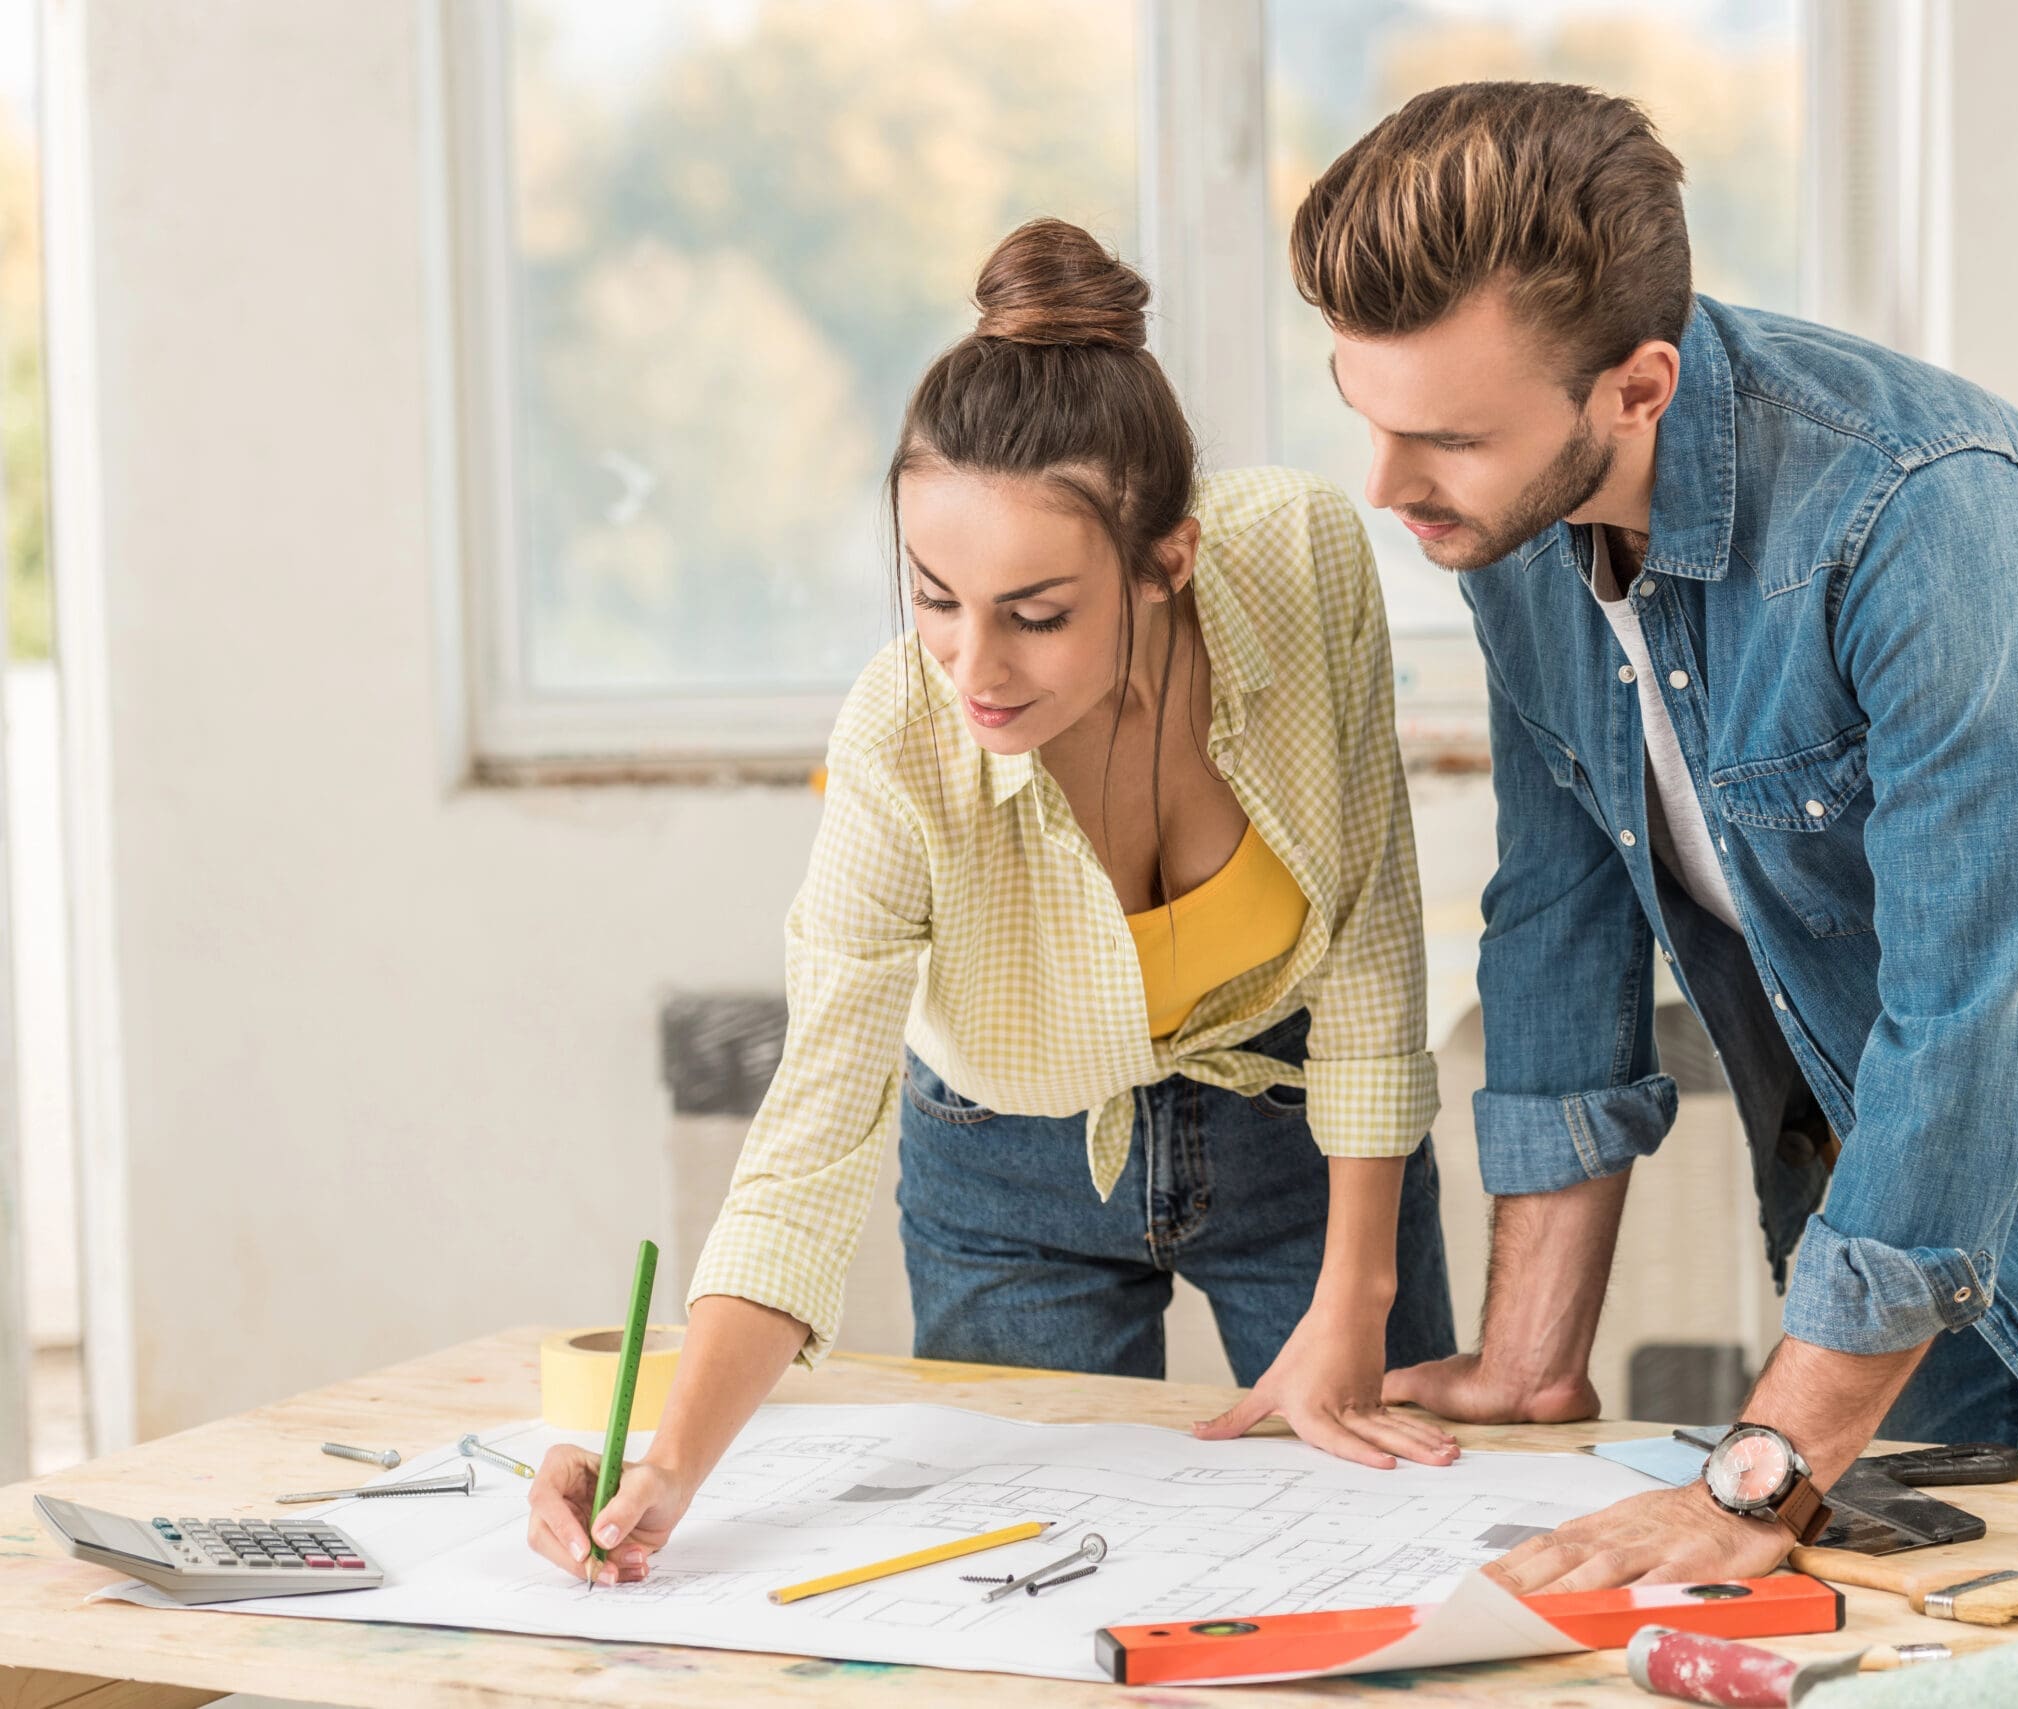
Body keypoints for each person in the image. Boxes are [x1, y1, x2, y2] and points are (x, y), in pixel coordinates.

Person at [1287, 82, 2018, 1589]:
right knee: (1883, 1598)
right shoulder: (1513, 523)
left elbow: (1970, 1015)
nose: (1390, 486)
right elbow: (1558, 914)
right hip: (1892, 1133)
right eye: (1373, 418)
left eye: (1447, 438)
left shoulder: (1924, 510)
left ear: (1637, 386)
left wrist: (1755, 1478)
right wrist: (1528, 1359)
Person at [526, 218, 1458, 1586]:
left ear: (1168, 561)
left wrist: (1359, 1287)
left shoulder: (1303, 562)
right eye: (934, 598)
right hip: (1008, 1173)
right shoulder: (900, 743)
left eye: (1037, 611)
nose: (975, 663)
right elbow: (811, 1137)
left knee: (1391, 1551)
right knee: (1040, 1584)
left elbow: (1374, 930)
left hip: (1301, 1138)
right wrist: (664, 1464)